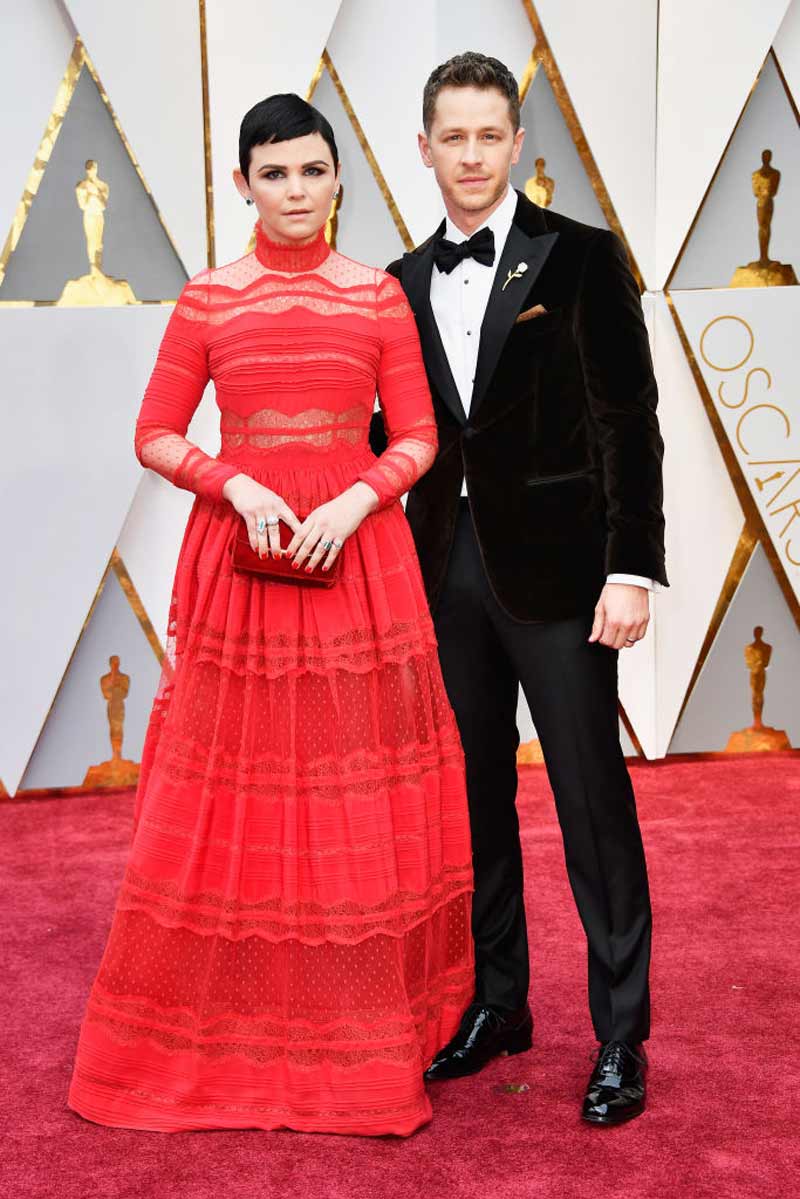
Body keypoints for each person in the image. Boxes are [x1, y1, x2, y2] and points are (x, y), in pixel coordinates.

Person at [67, 94, 474, 1138]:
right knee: (230, 796)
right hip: (240, 569)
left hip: (357, 563)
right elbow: (154, 433)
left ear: (340, 179)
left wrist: (352, 497)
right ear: (241, 184)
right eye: (275, 174)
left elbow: (420, 437)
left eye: (312, 171)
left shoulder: (376, 298)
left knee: (349, 798)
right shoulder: (208, 299)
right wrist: (230, 482)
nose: (295, 192)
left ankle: (360, 1038)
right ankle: (228, 1028)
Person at [371, 53, 667, 1125]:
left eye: (487, 135)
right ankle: (499, 1001)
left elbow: (626, 424)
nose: (469, 154)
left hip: (562, 579)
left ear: (517, 147)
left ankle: (620, 1035)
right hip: (438, 578)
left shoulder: (579, 259)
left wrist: (629, 565)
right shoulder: (397, 282)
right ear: (423, 148)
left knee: (590, 802)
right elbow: (387, 440)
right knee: (473, 802)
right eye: (451, 136)